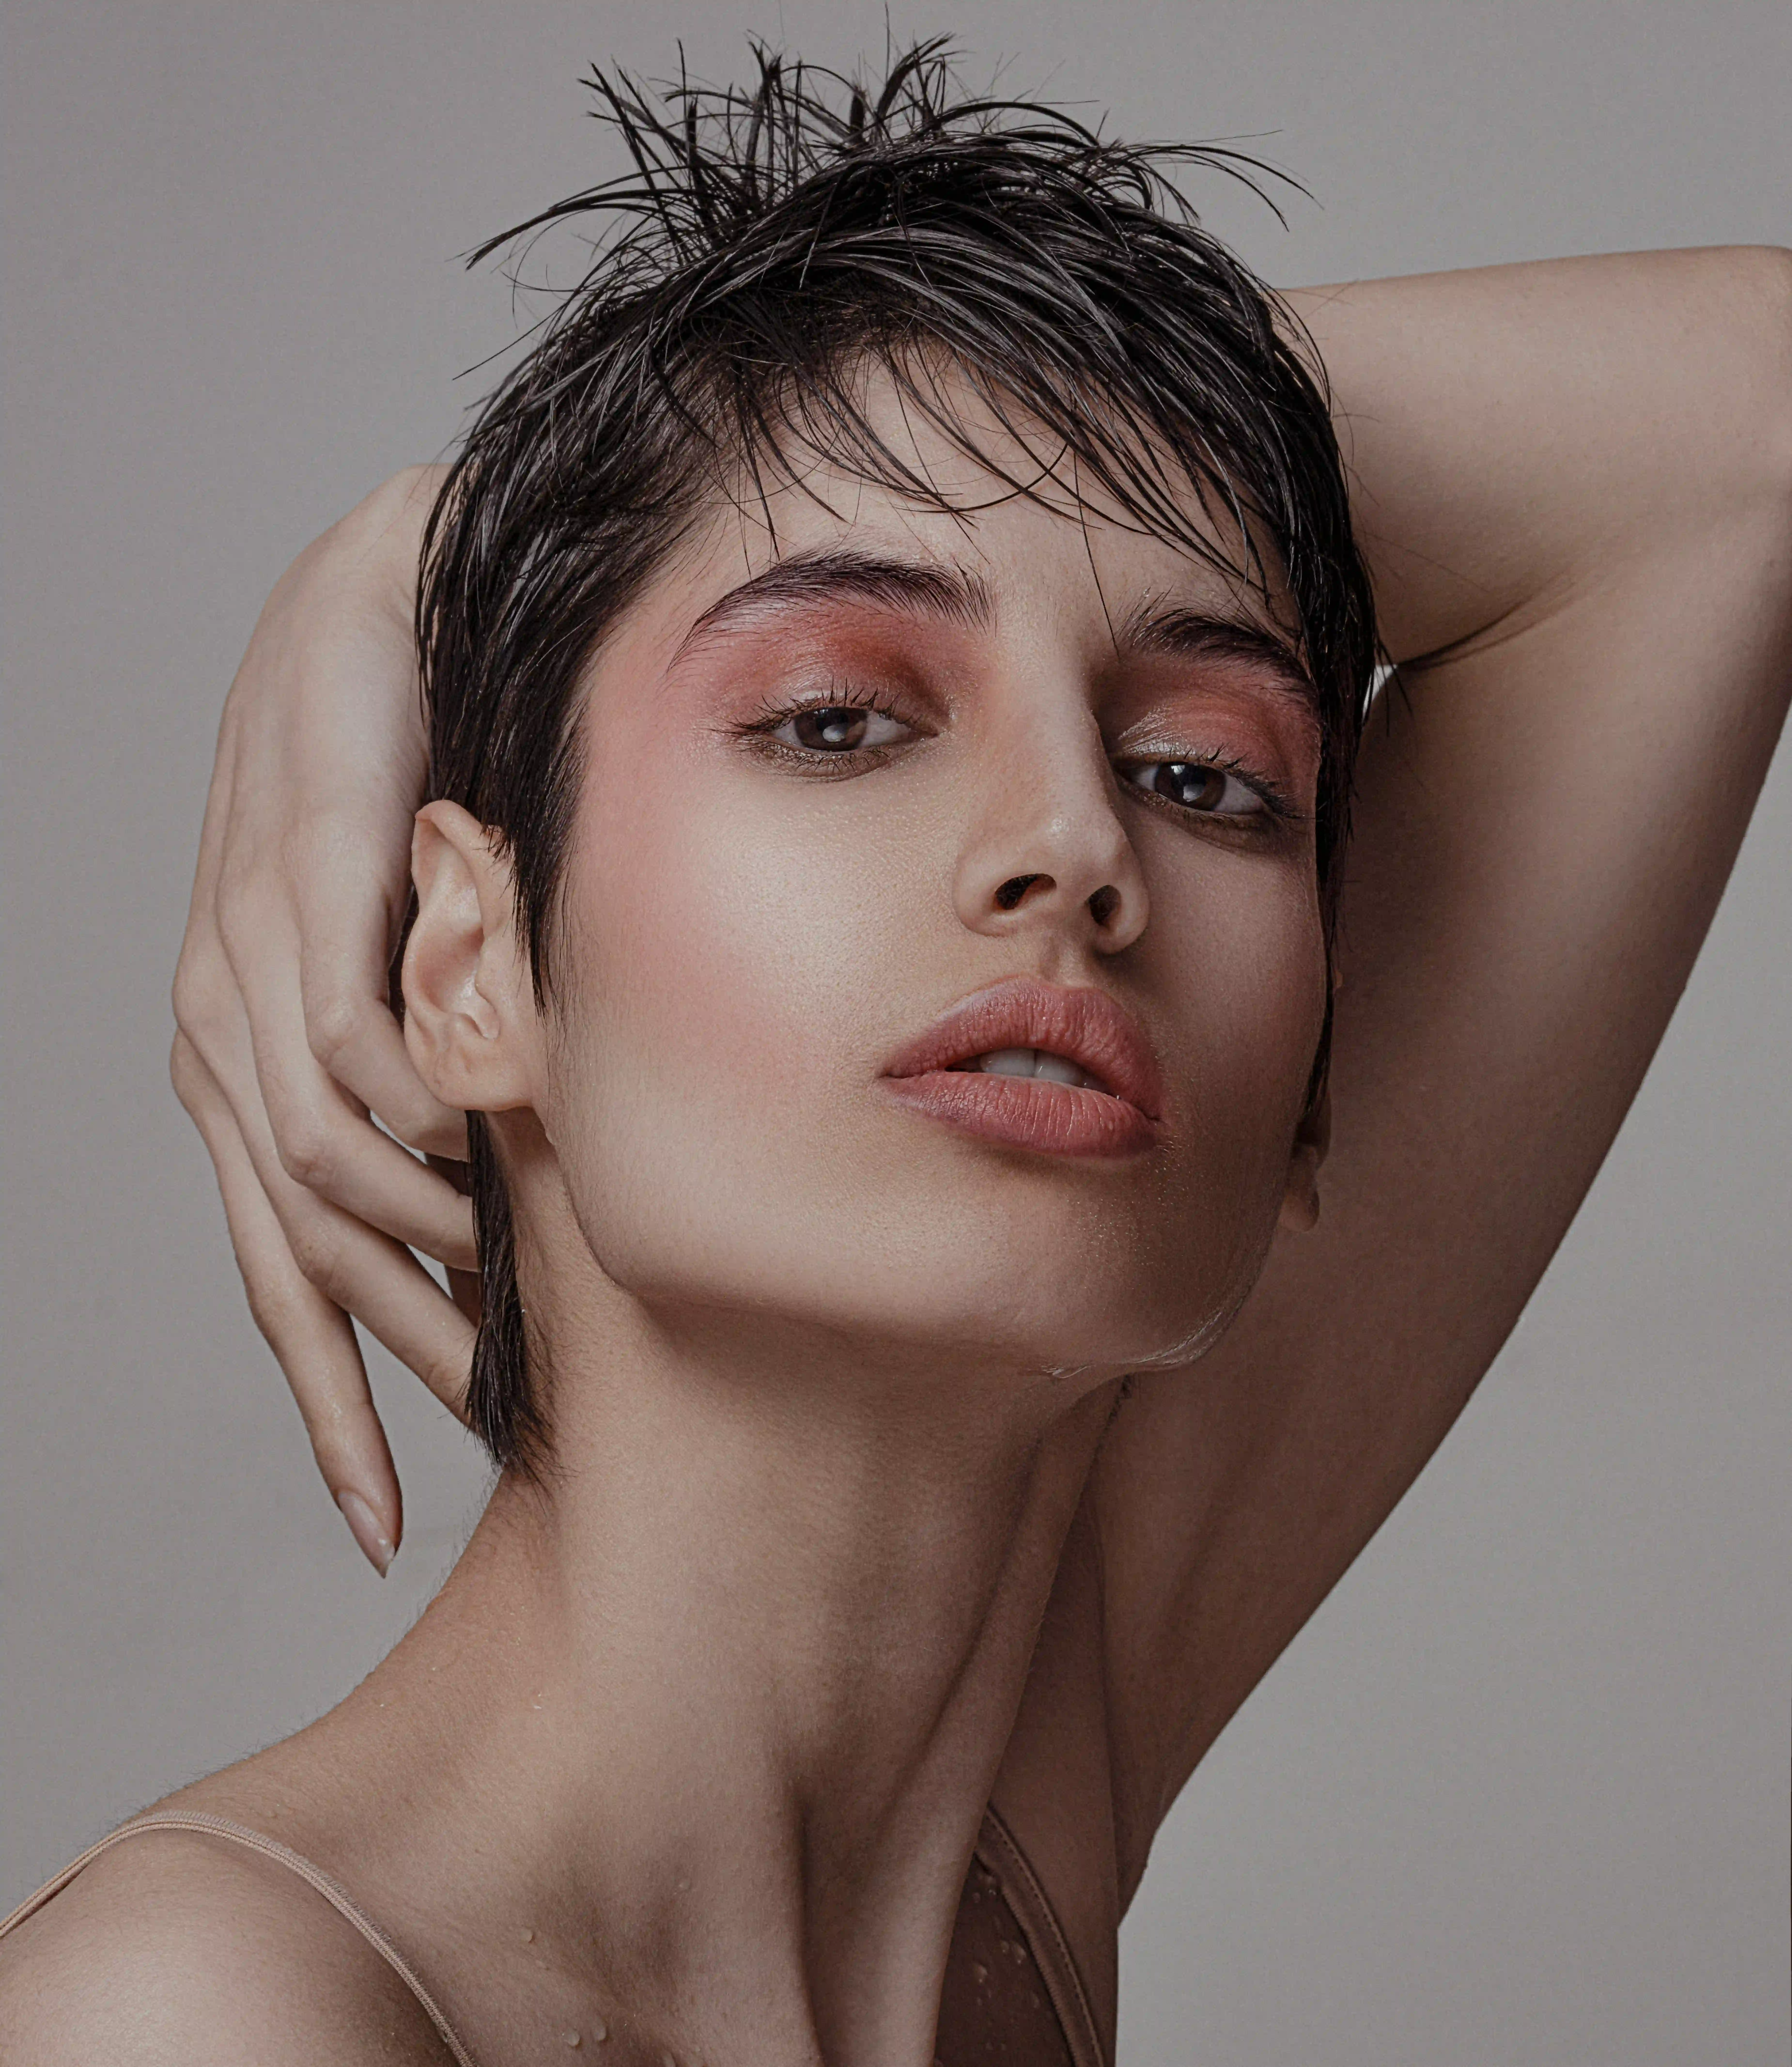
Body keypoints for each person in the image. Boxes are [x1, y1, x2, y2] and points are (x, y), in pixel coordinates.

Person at [2, 43, 1788, 2067]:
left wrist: (436, 545)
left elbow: (1745, 425)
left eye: (1203, 773)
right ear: (471, 960)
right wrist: (525, 526)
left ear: (1309, 1090)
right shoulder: (207, 2018)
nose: (1079, 844)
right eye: (839, 718)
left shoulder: (986, 1832)